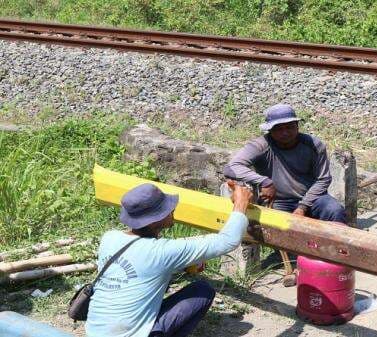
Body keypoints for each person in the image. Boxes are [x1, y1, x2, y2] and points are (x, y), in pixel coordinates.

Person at [86, 182, 253, 337]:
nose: (172, 209)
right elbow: (227, 241)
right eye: (167, 209)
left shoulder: (109, 238)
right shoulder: (163, 252)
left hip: (95, 331)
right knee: (202, 291)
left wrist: (182, 264)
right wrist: (241, 203)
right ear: (155, 220)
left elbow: (141, 266)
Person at [223, 103, 346, 224]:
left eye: (289, 127)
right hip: (278, 201)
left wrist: (302, 207)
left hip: (313, 198)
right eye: (279, 129)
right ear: (270, 130)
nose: (285, 133)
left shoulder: (314, 145)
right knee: (269, 224)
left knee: (334, 210)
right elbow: (231, 167)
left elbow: (323, 179)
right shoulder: (261, 145)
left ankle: (337, 243)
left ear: (297, 126)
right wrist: (264, 181)